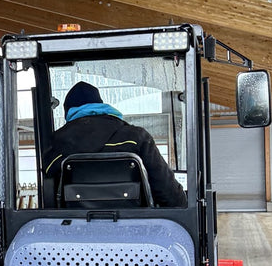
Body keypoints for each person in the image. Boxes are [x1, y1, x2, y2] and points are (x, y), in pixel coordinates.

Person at [43, 80, 187, 207]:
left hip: (73, 225)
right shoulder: (136, 137)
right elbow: (168, 192)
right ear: (101, 106)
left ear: (69, 113)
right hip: (136, 224)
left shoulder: (57, 142)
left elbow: (48, 185)